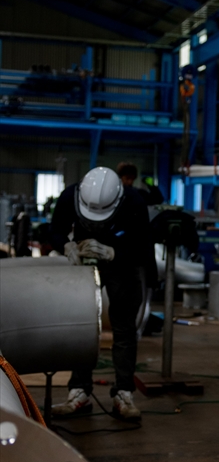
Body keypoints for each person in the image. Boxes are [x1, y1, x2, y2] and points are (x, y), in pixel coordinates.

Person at [50, 167, 156, 421]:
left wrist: (114, 252)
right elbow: (55, 229)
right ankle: (79, 392)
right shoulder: (70, 196)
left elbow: (143, 246)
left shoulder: (134, 201)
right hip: (84, 264)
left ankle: (123, 394)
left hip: (123, 265)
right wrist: (66, 246)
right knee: (82, 328)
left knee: (124, 330)